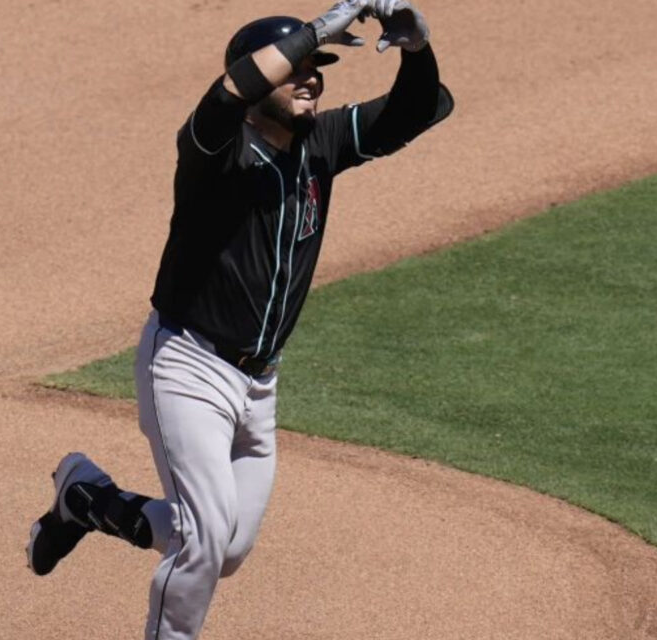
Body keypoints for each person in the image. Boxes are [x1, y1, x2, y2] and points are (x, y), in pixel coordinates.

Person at [26, 1, 453, 637]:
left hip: (259, 387)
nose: (311, 77)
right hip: (189, 366)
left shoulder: (321, 145)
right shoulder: (213, 153)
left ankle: (85, 499)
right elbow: (226, 96)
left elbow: (416, 111)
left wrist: (418, 47)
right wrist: (317, 30)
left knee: (226, 550)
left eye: (320, 69)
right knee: (201, 546)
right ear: (259, 82)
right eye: (298, 69)